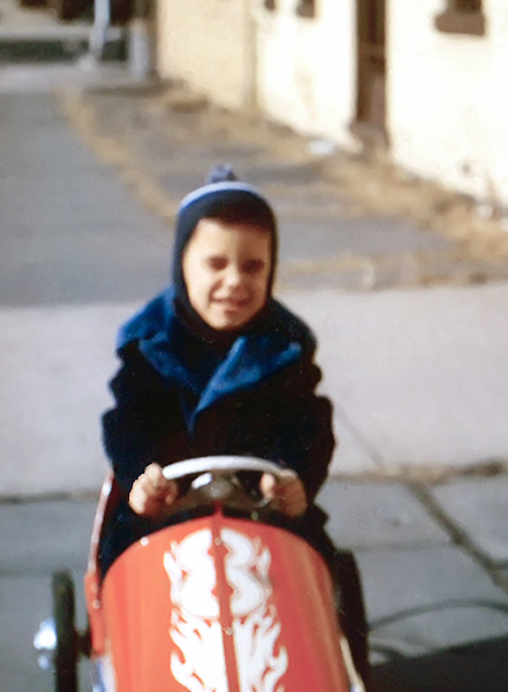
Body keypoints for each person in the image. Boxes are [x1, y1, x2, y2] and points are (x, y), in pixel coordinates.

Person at [99, 165, 339, 576]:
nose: (234, 282)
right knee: (121, 552)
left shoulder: (284, 348)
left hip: (261, 509)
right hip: (169, 507)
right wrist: (145, 478)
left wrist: (290, 478)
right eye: (215, 264)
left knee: (320, 558)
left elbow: (309, 424)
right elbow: (127, 422)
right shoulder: (151, 346)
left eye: (252, 267)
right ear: (182, 266)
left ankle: (330, 635)